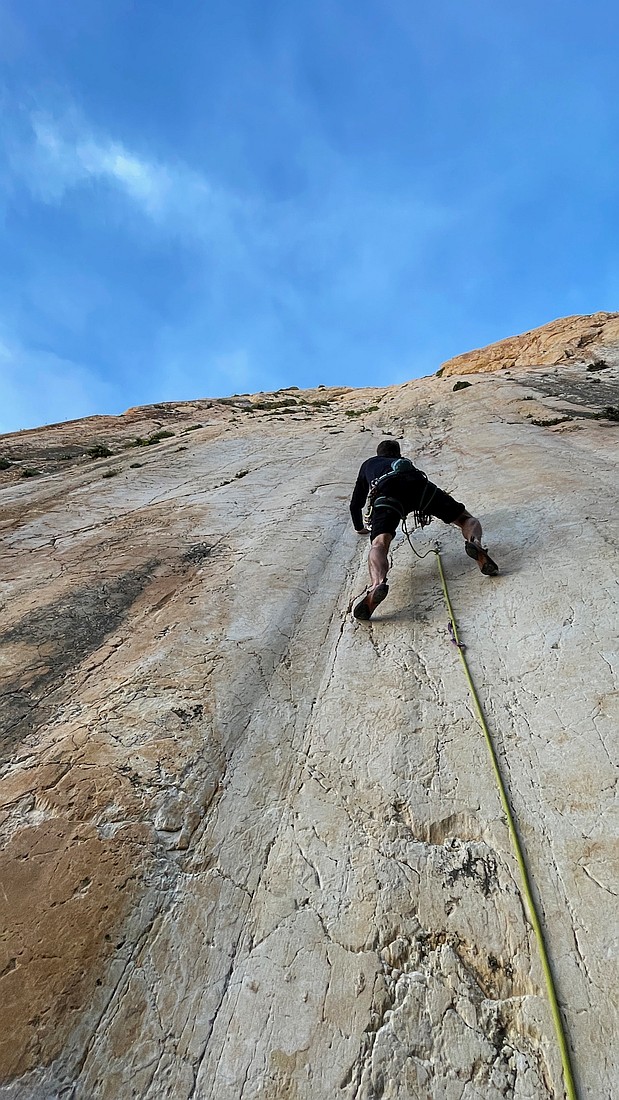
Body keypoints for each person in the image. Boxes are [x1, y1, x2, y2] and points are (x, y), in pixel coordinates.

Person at [350, 439, 498, 620]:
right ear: (397, 453)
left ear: (378, 453)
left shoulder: (369, 464)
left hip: (388, 493)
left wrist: (359, 527)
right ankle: (475, 543)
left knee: (379, 543)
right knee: (466, 519)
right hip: (419, 487)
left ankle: (377, 584)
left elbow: (355, 503)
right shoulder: (402, 463)